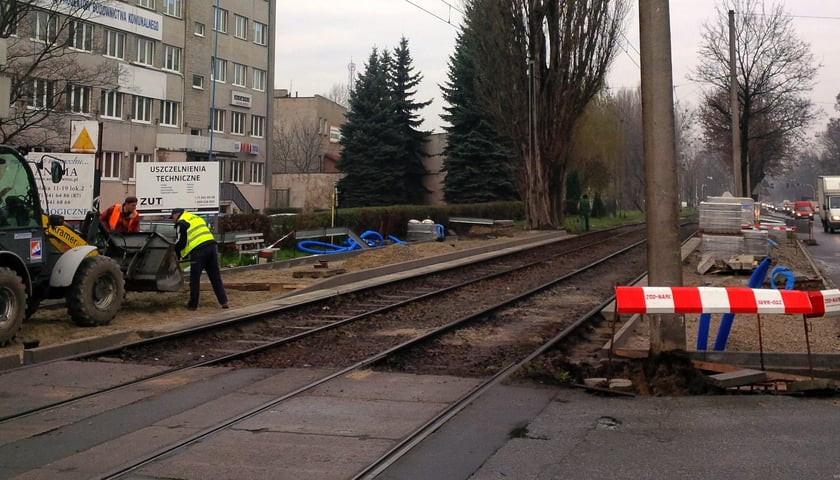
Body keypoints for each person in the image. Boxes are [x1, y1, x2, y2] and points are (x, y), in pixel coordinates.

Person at [171, 208, 228, 311]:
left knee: (195, 279)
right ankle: (223, 301)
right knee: (215, 276)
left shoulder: (181, 222)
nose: (172, 220)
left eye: (172, 218)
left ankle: (193, 305)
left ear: (176, 215)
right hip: (211, 246)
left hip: (199, 251)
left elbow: (181, 242)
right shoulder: (197, 218)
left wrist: (176, 253)